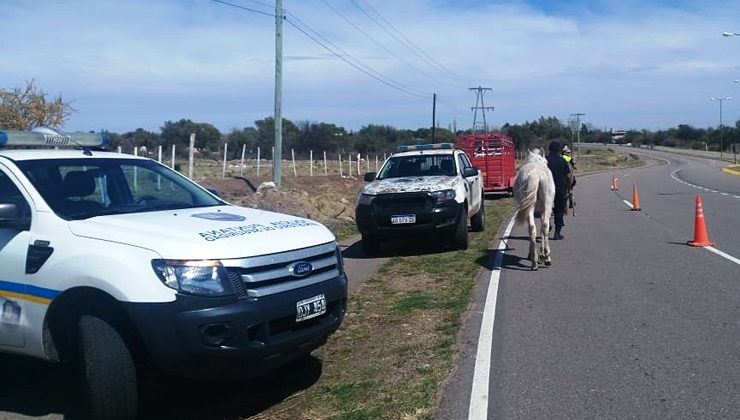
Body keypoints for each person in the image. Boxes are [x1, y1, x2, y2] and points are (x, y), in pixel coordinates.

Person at [546, 141, 572, 239]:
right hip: (560, 188)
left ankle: (547, 223)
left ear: (549, 149)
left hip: (547, 188)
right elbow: (568, 177)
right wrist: (569, 189)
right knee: (559, 210)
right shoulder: (563, 161)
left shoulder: (545, 160)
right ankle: (557, 233)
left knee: (546, 208)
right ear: (558, 150)